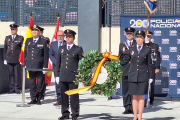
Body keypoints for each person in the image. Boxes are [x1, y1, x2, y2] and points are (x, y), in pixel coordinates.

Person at [55, 29, 84, 120]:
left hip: (73, 76)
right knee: (63, 96)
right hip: (63, 75)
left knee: (74, 96)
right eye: (66, 37)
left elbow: (82, 62)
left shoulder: (78, 49)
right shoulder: (61, 48)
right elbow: (58, 63)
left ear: (73, 38)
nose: (68, 38)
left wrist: (82, 74)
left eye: (70, 37)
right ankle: (65, 113)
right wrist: (57, 75)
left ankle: (75, 113)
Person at [127, 30, 153, 120]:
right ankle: (135, 116)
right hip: (133, 75)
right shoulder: (131, 48)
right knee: (134, 97)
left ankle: (140, 116)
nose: (138, 39)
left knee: (141, 97)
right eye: (137, 37)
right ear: (135, 38)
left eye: (141, 38)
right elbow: (126, 61)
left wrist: (151, 77)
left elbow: (150, 64)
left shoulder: (147, 49)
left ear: (143, 39)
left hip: (143, 75)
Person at [24, 25, 49, 105]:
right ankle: (33, 98)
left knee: (39, 84)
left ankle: (39, 98)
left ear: (39, 32)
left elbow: (46, 55)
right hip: (30, 65)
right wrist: (26, 64)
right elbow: (25, 54)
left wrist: (45, 66)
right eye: (33, 30)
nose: (34, 32)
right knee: (31, 84)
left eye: (36, 30)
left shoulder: (43, 41)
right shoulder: (28, 40)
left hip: (39, 66)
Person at [118, 27, 136, 114]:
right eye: (128, 33)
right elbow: (120, 56)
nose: (129, 35)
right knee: (125, 90)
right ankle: (126, 107)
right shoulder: (122, 44)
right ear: (125, 34)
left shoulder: (137, 43)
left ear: (133, 34)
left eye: (131, 33)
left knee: (133, 90)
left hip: (134, 70)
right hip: (125, 69)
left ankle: (133, 107)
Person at [3, 24, 24, 94]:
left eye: (14, 29)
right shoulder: (7, 38)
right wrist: (5, 59)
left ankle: (17, 88)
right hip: (9, 59)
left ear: (16, 30)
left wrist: (21, 59)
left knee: (17, 74)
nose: (12, 31)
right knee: (11, 74)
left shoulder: (20, 38)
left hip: (17, 59)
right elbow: (5, 49)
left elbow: (22, 49)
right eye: (11, 29)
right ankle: (12, 88)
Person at [49, 30, 66, 106]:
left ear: (63, 36)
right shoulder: (53, 44)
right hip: (56, 67)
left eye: (61, 36)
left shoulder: (66, 43)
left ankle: (65, 99)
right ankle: (59, 99)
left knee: (65, 83)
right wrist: (56, 62)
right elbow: (50, 54)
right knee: (57, 83)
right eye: (59, 35)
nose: (60, 37)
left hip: (65, 67)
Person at [145, 31, 161, 105]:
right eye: (146, 36)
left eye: (149, 36)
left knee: (151, 83)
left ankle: (151, 100)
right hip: (143, 67)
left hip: (152, 66)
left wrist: (157, 67)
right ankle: (143, 100)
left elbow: (157, 57)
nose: (148, 38)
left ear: (151, 37)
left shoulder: (155, 45)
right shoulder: (141, 45)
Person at [39, 26, 50, 100]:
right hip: (36, 62)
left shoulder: (45, 40)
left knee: (42, 79)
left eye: (40, 31)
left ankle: (42, 93)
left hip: (43, 61)